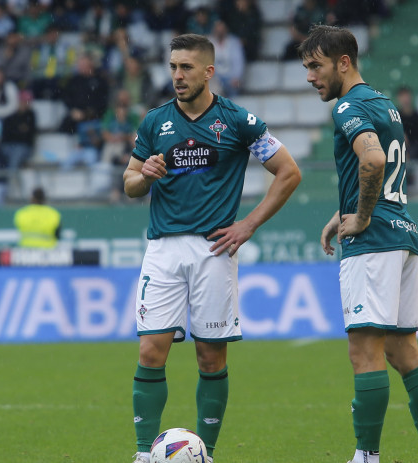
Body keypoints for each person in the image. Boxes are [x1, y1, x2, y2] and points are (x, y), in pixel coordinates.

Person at [124, 33, 301, 463]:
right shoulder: (154, 122)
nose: (177, 76)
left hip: (214, 251)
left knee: (210, 357)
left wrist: (248, 224)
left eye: (186, 67)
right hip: (163, 249)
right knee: (151, 350)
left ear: (208, 71)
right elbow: (130, 184)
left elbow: (289, 172)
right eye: (172, 67)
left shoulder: (239, 122)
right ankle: (144, 454)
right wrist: (144, 175)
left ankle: (208, 452)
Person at [299, 25, 418, 463]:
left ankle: (366, 456)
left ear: (343, 62)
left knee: (363, 351)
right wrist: (346, 208)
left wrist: (362, 216)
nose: (310, 77)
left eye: (315, 66)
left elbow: (372, 158)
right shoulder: (383, 103)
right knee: (404, 349)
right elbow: (378, 169)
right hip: (402, 234)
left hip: (374, 242)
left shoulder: (347, 106)